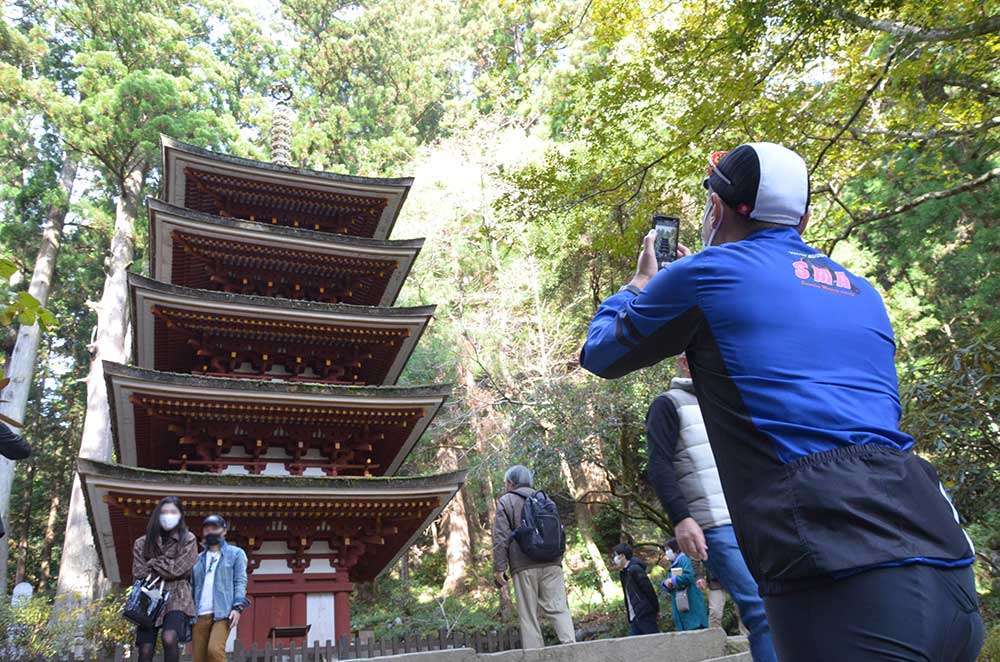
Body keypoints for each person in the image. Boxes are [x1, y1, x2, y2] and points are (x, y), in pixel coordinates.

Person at [579, 142, 981, 661]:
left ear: (717, 209)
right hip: (943, 555)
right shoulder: (862, 292)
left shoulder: (705, 273)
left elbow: (601, 353)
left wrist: (638, 284)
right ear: (805, 218)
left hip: (841, 574)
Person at [646, 355, 776, 661]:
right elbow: (659, 466)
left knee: (784, 605)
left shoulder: (730, 400)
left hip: (759, 517)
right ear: (684, 363)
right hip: (716, 523)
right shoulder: (668, 405)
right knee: (761, 610)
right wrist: (681, 518)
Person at [492, 464, 576, 649]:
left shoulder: (506, 501)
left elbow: (500, 537)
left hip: (523, 565)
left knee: (528, 615)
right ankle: (571, 648)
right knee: (559, 608)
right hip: (552, 562)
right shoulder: (546, 499)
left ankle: (535, 655)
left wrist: (499, 567)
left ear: (510, 483)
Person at [131, 496, 198, 662]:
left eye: (173, 512)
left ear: (180, 515)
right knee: (145, 650)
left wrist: (153, 562)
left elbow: (179, 569)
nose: (168, 515)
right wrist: (167, 566)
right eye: (164, 512)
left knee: (169, 637)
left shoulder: (188, 539)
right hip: (148, 594)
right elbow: (139, 572)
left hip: (177, 594)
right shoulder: (141, 543)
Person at [191, 514, 249, 662]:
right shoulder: (197, 559)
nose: (211, 531)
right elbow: (191, 586)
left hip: (223, 612)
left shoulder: (235, 554)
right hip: (199, 613)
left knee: (214, 650)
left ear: (224, 531)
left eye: (215, 528)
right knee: (200, 658)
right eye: (207, 529)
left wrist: (238, 607)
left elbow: (240, 581)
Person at [660, 538, 708, 631]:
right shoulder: (674, 563)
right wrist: (666, 584)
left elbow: (688, 576)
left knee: (694, 627)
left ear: (675, 548)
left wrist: (673, 581)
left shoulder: (684, 559)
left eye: (668, 549)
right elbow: (670, 579)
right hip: (681, 601)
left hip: (690, 598)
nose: (667, 552)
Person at [611, 543, 659, 635]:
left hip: (644, 614)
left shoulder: (635, 569)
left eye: (616, 555)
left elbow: (649, 590)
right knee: (634, 645)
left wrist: (655, 610)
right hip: (634, 616)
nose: (614, 559)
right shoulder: (624, 572)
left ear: (622, 556)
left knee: (654, 641)